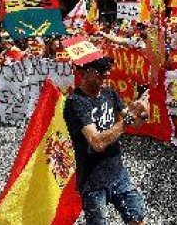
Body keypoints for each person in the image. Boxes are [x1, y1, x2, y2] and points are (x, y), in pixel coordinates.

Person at [63, 56, 148, 224]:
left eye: (108, 69)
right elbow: (97, 143)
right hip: (92, 181)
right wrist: (128, 120)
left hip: (118, 173)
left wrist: (142, 113)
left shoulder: (110, 93)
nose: (107, 74)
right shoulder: (75, 103)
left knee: (137, 219)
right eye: (101, 70)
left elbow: (135, 123)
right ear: (84, 73)